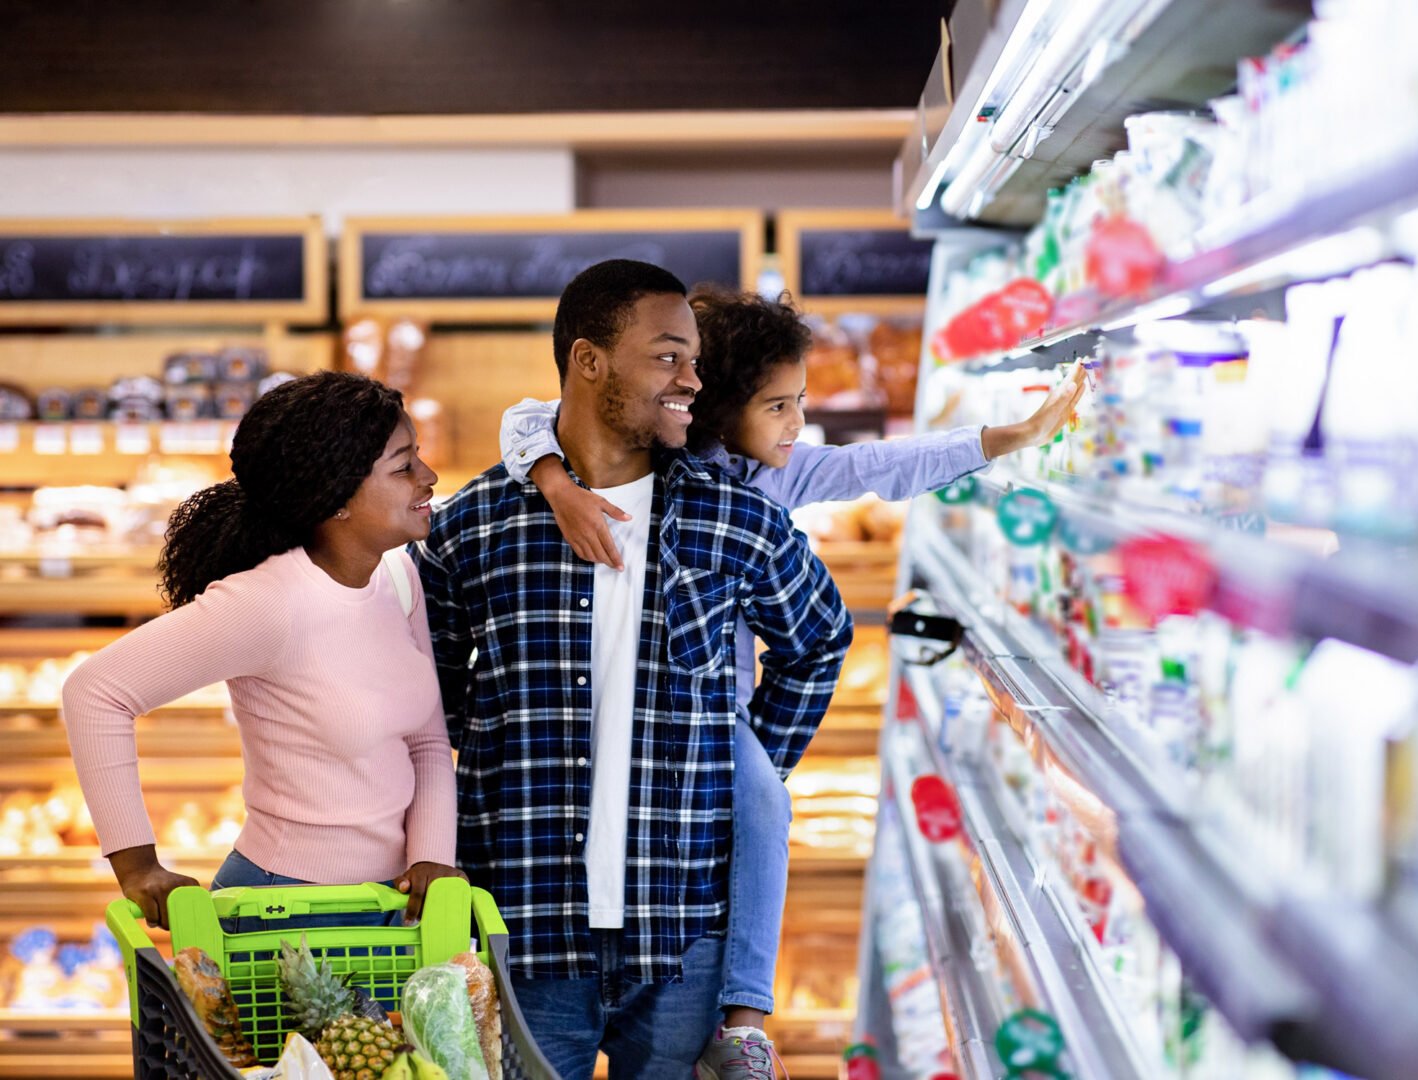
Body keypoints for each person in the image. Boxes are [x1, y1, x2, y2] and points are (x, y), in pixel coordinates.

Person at [500, 287, 1088, 1079]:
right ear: (716, 403)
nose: (796, 424)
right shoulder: (646, 453)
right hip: (609, 711)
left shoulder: (773, 478)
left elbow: (881, 465)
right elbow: (526, 417)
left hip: (715, 714)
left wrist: (1006, 438)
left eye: (799, 403)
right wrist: (554, 482)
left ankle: (743, 1014)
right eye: (779, 405)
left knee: (765, 803)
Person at [412, 260, 853, 1080]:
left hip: (682, 932)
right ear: (588, 361)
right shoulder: (473, 529)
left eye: (694, 358)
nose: (693, 378)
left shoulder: (737, 520)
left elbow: (819, 638)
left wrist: (742, 764)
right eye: (667, 357)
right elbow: (425, 709)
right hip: (524, 930)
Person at [62, 371, 463, 933]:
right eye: (403, 467)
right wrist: (137, 866)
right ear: (337, 499)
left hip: (392, 907)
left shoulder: (397, 577)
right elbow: (94, 692)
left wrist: (432, 861)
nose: (428, 477)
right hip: (284, 912)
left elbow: (426, 740)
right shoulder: (268, 603)